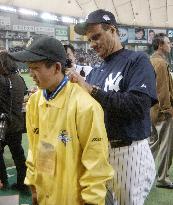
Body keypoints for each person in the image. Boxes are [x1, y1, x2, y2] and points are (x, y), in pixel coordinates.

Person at [68, 9, 158, 205]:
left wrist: (92, 90)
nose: (92, 44)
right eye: (89, 40)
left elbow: (139, 105)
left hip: (127, 151)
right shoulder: (97, 71)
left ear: (113, 30)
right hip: (100, 151)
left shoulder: (137, 60)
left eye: (97, 37)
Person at [10, 36, 114, 205]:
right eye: (29, 68)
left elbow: (96, 165)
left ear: (57, 67)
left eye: (35, 68)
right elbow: (37, 149)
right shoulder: (35, 102)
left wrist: (92, 201)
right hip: (45, 196)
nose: (31, 74)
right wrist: (34, 187)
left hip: (73, 199)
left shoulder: (86, 106)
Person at [0, 51, 28, 193]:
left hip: (2, 126)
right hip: (17, 124)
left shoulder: (1, 80)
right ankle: (23, 184)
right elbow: (24, 95)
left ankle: (4, 182)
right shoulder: (19, 79)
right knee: (19, 156)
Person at [149, 33, 173, 189]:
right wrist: (168, 109)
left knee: (153, 143)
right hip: (162, 111)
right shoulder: (161, 63)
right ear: (160, 45)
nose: (170, 45)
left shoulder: (150, 60)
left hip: (151, 109)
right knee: (165, 145)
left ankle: (143, 170)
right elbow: (162, 89)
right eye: (168, 43)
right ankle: (162, 178)